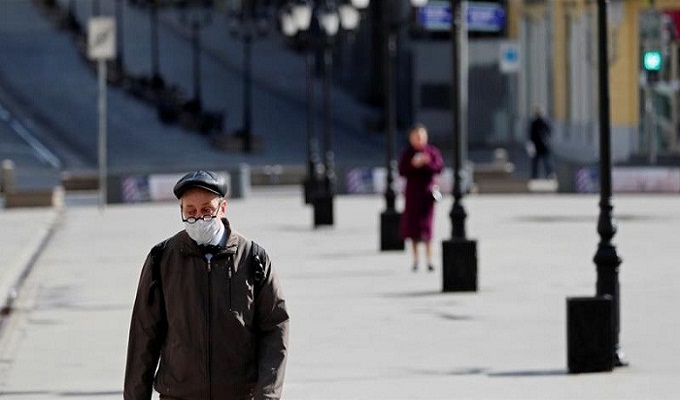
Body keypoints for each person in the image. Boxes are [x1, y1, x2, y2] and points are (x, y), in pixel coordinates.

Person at [124, 170, 289, 400]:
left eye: (206, 210)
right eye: (190, 211)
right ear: (181, 211)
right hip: (179, 394)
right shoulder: (161, 259)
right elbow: (144, 335)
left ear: (222, 208)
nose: (198, 218)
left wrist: (267, 395)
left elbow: (275, 328)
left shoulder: (253, 258)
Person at [398, 124, 444, 272]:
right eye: (415, 137)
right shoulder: (407, 154)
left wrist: (426, 162)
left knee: (427, 229)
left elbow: (438, 167)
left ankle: (429, 259)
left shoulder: (431, 152)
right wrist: (413, 165)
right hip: (412, 195)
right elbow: (402, 170)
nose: (418, 140)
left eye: (421, 137)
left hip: (426, 194)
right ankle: (416, 260)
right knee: (413, 229)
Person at [528, 106, 554, 179]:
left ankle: (535, 176)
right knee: (545, 162)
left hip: (538, 146)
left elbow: (530, 135)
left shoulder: (534, 123)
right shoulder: (544, 122)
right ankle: (549, 175)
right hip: (543, 145)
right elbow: (549, 132)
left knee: (537, 163)